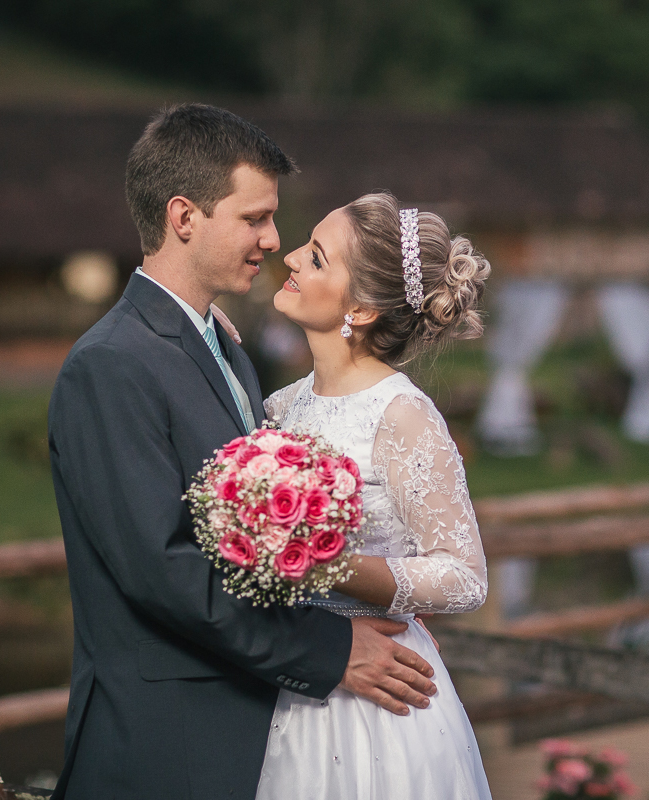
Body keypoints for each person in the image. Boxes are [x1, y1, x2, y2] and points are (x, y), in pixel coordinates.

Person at [47, 105, 436, 800]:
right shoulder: (108, 365)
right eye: (254, 218)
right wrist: (330, 649)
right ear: (184, 216)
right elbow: (163, 571)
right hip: (165, 746)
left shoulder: (223, 345)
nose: (273, 238)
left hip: (248, 731)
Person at [251, 192, 493, 799]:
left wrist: (334, 565)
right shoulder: (280, 406)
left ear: (358, 307)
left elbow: (465, 576)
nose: (293, 261)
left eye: (317, 257)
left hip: (378, 697)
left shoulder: (403, 413)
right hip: (291, 670)